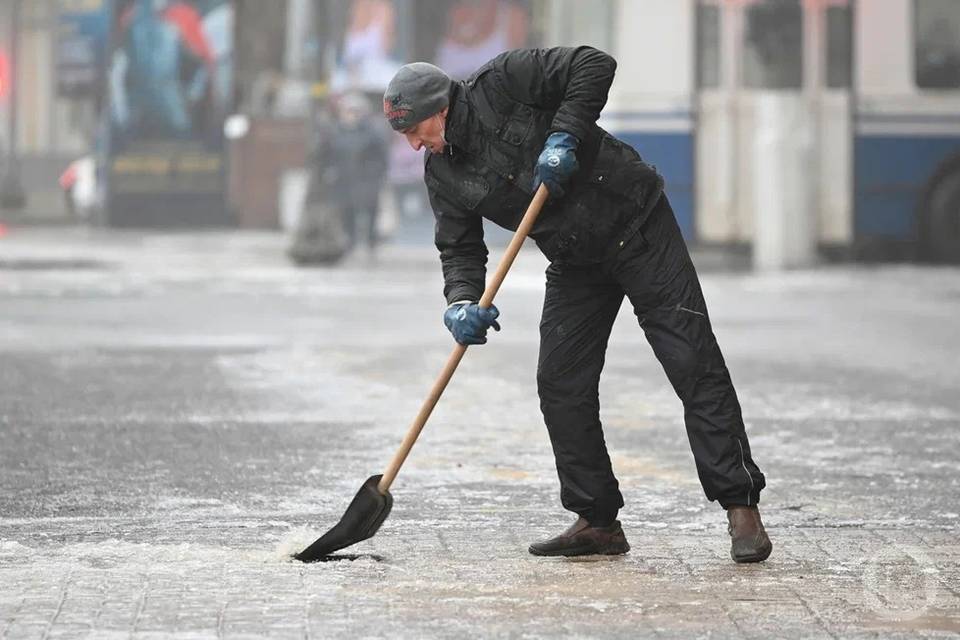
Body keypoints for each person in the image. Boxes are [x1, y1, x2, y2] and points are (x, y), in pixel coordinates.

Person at [382, 47, 771, 563]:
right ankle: (598, 520)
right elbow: (460, 249)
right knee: (561, 383)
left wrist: (565, 134)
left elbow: (595, 64)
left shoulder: (504, 82)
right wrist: (461, 301)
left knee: (691, 360)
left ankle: (740, 505)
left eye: (415, 129)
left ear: (441, 109)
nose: (413, 144)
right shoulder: (443, 174)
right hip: (574, 259)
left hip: (637, 223)